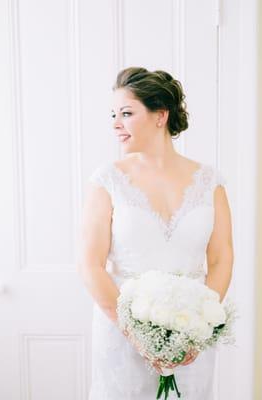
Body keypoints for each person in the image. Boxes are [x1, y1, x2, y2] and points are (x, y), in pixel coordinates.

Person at [78, 67, 234, 399]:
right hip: (121, 334)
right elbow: (90, 264)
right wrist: (135, 333)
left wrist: (197, 328)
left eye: (127, 113)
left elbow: (220, 260)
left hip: (189, 339)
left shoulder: (210, 183)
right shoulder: (107, 180)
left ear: (160, 115)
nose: (116, 123)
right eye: (113, 115)